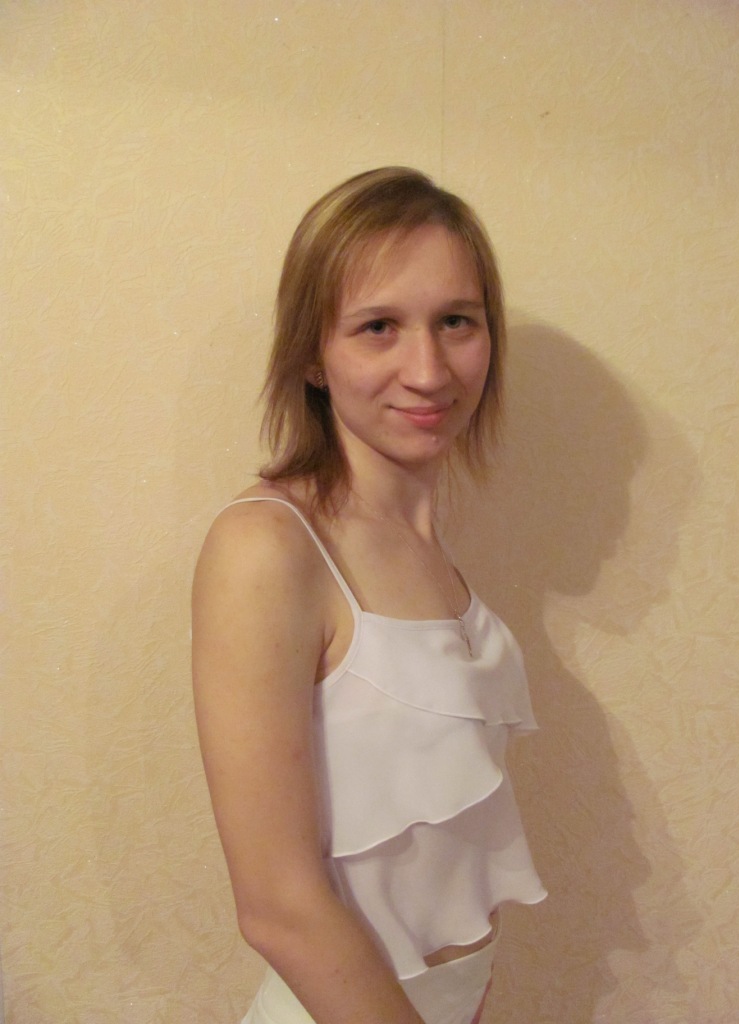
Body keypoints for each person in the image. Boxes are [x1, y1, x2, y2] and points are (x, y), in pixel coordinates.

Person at [192, 167, 546, 1024]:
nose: (427, 370)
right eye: (378, 326)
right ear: (312, 354)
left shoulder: (427, 549)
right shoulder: (268, 547)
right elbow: (278, 908)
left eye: (456, 321)